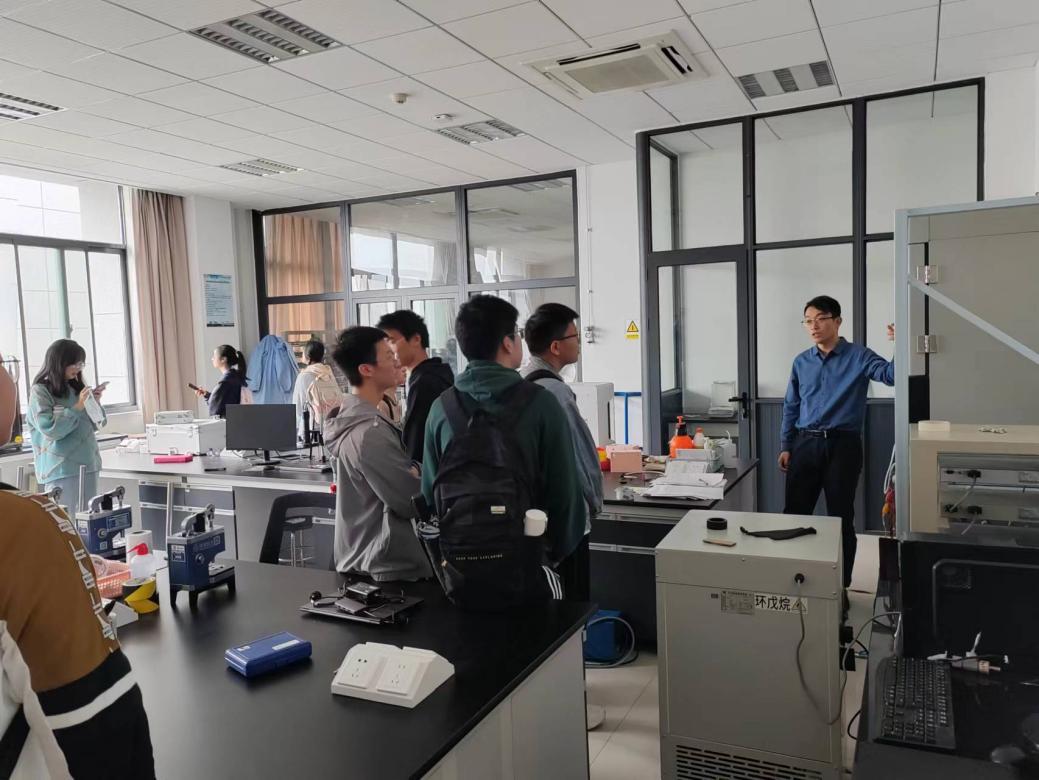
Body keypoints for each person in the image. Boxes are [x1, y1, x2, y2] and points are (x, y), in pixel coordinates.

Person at [1, 361, 155, 778]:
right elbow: (96, 715)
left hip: (85, 467)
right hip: (61, 472)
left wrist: (89, 403)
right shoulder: (25, 526)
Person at [421, 296, 585, 581]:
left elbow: (429, 494)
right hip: (530, 566)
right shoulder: (541, 404)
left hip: (461, 572)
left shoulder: (441, 409)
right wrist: (551, 556)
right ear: (508, 343)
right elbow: (566, 495)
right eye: (517, 334)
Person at [779, 295, 894, 600]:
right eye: (808, 321)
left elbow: (890, 376)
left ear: (838, 321)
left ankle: (840, 588)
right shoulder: (801, 362)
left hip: (843, 446)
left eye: (820, 319)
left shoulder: (859, 356)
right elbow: (791, 405)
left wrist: (902, 343)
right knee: (795, 514)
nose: (813, 326)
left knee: (840, 517)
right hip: (805, 443)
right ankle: (793, 579)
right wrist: (786, 444)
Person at [323, 327, 431, 583]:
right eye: (388, 356)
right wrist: (420, 471)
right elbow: (409, 499)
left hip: (363, 558)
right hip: (382, 568)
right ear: (366, 369)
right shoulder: (369, 433)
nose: (397, 362)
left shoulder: (352, 420)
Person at [522, 304, 603, 602]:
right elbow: (579, 455)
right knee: (574, 603)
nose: (579, 342)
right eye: (575, 337)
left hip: (535, 514)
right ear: (556, 347)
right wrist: (594, 502)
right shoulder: (555, 392)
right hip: (567, 520)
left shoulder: (521, 383)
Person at [26, 339, 106, 508]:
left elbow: (99, 423)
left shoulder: (76, 388)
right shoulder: (40, 391)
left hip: (89, 464)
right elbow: (51, 431)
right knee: (65, 520)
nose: (78, 368)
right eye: (74, 364)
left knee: (89, 519)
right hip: (60, 469)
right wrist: (78, 406)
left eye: (81, 364)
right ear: (59, 362)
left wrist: (95, 402)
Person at [377, 310, 455, 462]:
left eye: (392, 341)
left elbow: (417, 446)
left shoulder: (426, 384)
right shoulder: (432, 375)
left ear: (416, 339)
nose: (389, 350)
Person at [291, 339, 338, 441]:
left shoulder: (304, 376)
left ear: (307, 356)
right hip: (332, 426)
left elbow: (298, 405)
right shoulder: (328, 373)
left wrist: (298, 430)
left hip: (312, 430)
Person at [195, 344, 247, 418]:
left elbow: (214, 408)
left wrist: (209, 397)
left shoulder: (225, 382)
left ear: (223, 359)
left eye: (214, 356)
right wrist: (206, 395)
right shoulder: (234, 377)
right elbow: (222, 401)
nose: (212, 359)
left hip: (228, 422)